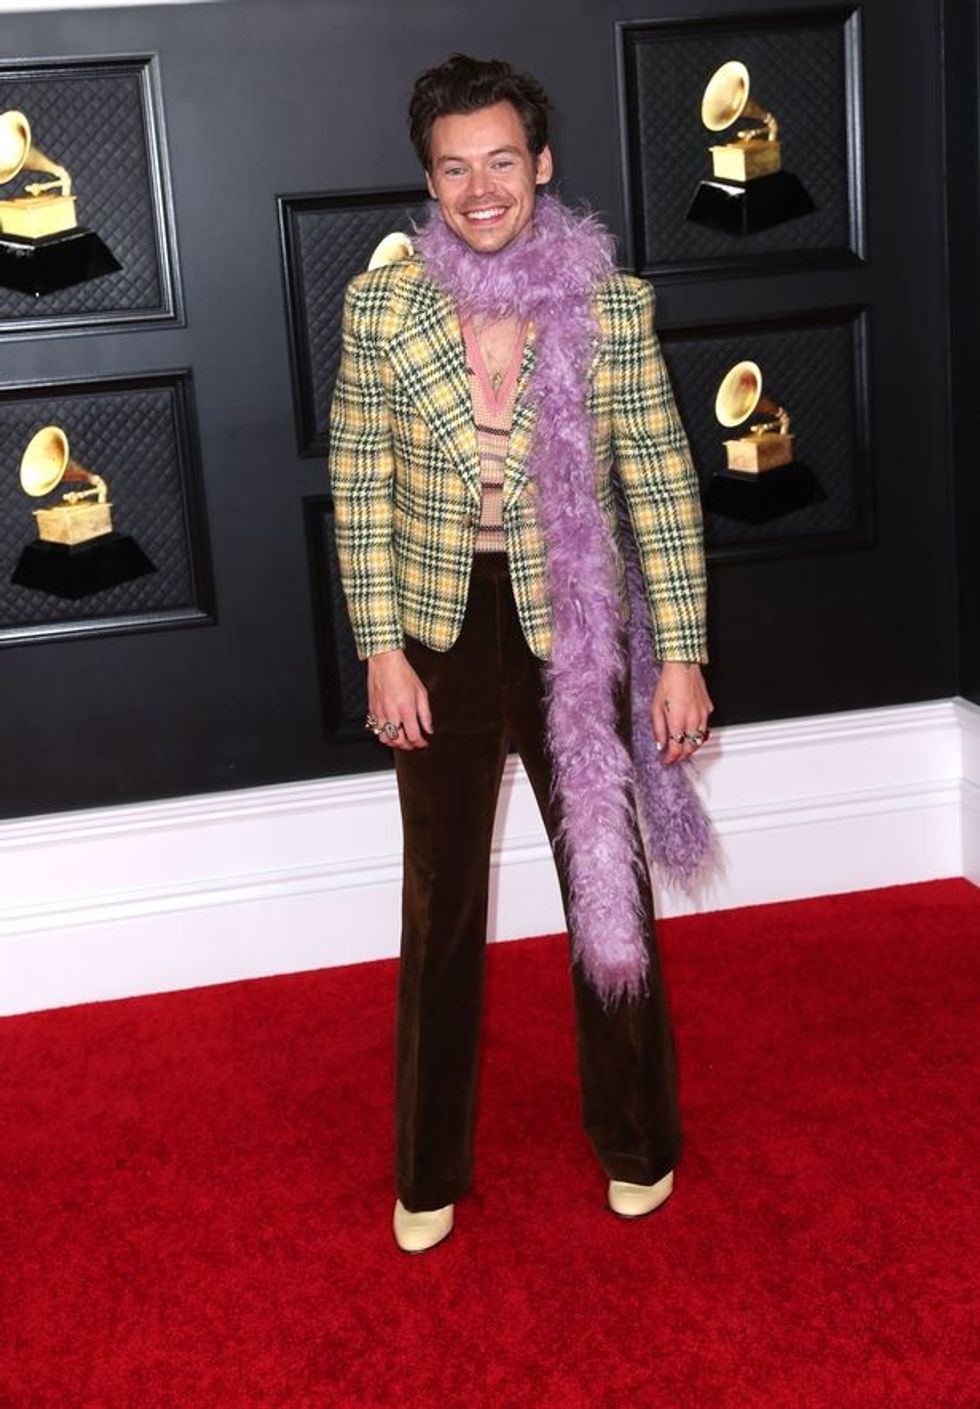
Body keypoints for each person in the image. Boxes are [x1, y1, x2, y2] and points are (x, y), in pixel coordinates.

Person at [329, 53, 712, 1254]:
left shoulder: (611, 303)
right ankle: (427, 1164)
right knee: (440, 903)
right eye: (454, 167)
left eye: (502, 161)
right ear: (429, 179)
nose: (480, 188)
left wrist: (682, 654)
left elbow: (658, 482)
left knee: (609, 884)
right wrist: (380, 651)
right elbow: (356, 489)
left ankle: (638, 1137)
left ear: (540, 165)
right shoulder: (380, 307)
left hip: (576, 621)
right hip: (439, 632)